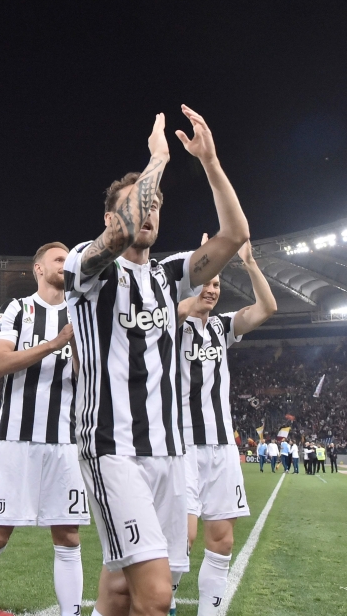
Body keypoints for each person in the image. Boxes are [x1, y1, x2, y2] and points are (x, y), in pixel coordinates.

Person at [63, 106, 249, 616]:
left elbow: (233, 236)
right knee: (156, 594)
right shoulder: (88, 268)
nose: (149, 212)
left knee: (123, 589)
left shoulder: (169, 276)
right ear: (110, 215)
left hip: (170, 453)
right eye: (139, 205)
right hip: (112, 447)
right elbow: (121, 235)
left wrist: (209, 164)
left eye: (155, 206)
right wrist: (158, 161)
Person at [0, 243, 90, 616]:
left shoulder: (79, 313)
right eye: (57, 258)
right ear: (38, 268)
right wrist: (55, 344)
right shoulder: (17, 309)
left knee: (68, 535)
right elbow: (0, 362)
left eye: (68, 259)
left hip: (66, 440)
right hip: (17, 438)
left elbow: (86, 376)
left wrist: (78, 346)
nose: (64, 264)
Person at [177, 237, 275, 616]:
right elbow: (169, 309)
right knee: (182, 538)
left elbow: (267, 307)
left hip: (221, 447)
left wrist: (249, 263)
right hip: (181, 444)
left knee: (222, 541)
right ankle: (163, 604)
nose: (212, 289)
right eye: (207, 282)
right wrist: (201, 267)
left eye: (217, 284)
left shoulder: (221, 327)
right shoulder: (170, 322)